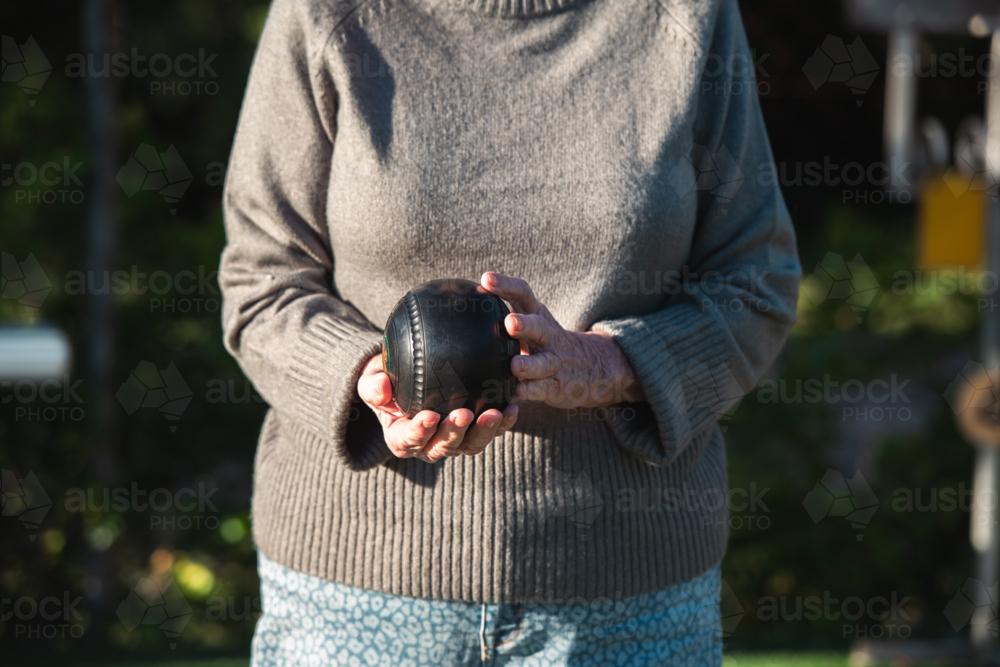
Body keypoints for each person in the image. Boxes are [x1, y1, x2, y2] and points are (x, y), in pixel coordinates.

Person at [219, 0, 801, 664]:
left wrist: (613, 364)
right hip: (357, 598)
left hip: (629, 597)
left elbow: (756, 279)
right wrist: (367, 381)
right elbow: (261, 281)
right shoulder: (327, 13)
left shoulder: (685, 16)